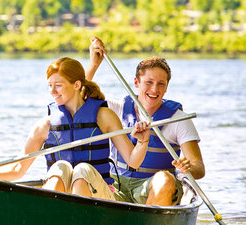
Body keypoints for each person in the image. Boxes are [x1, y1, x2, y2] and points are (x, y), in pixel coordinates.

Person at [0, 57, 150, 201]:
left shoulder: (104, 116)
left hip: (101, 197)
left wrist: (143, 141)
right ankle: (51, 218)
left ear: (77, 85)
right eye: (50, 85)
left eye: (58, 85)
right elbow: (18, 169)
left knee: (82, 170)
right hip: (62, 198)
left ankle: (75, 223)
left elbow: (133, 161)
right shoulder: (45, 126)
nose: (52, 91)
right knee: (60, 167)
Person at [86, 37, 205, 206]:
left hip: (153, 187)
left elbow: (199, 167)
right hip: (116, 184)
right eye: (149, 82)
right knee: (83, 172)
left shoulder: (178, 119)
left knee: (164, 179)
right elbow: (80, 98)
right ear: (136, 82)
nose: (154, 89)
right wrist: (94, 65)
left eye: (161, 84)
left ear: (166, 87)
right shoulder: (116, 109)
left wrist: (189, 168)